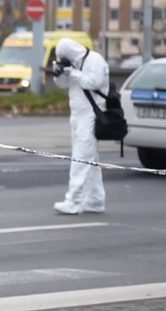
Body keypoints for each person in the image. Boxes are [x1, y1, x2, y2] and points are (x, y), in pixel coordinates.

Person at [52, 38, 109, 215]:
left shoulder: (95, 60)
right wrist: (60, 73)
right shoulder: (73, 64)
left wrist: (73, 73)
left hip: (92, 115)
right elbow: (62, 85)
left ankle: (73, 200)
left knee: (80, 158)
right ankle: (95, 200)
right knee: (89, 161)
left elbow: (94, 83)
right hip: (76, 115)